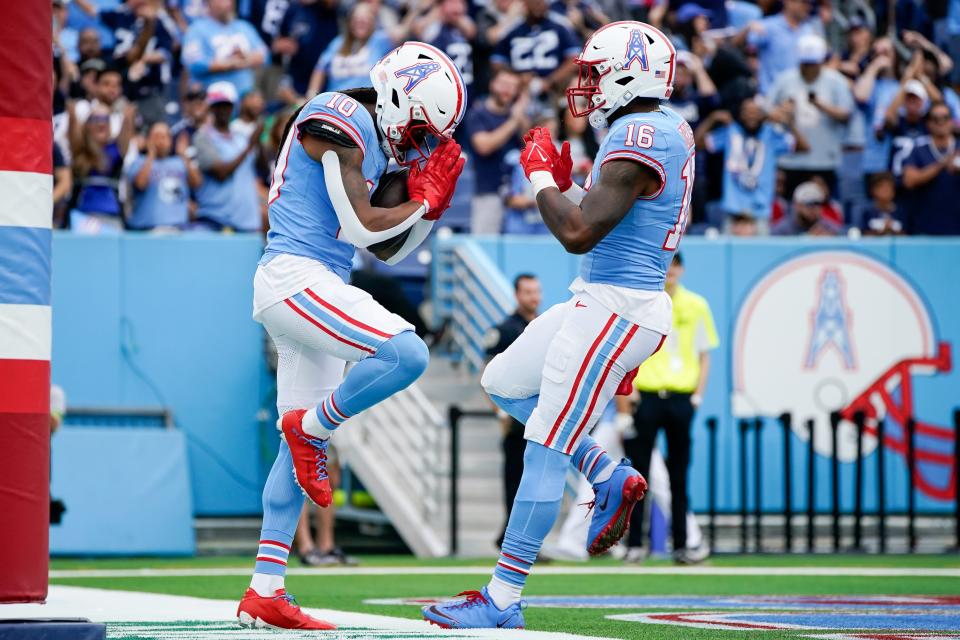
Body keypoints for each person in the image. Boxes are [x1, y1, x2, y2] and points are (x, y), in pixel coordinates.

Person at [426, 21, 692, 629]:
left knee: (544, 443)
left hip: (617, 306)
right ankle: (604, 469)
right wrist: (572, 183)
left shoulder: (641, 133)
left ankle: (501, 598)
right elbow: (618, 213)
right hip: (603, 299)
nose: (590, 85)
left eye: (598, 73)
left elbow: (578, 233)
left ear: (630, 72)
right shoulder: (659, 129)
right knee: (502, 380)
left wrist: (543, 179)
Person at [237, 42, 466, 630]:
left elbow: (388, 250)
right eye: (418, 128)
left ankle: (265, 589)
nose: (416, 144)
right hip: (295, 276)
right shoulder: (337, 114)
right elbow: (362, 226)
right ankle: (312, 429)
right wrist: (421, 201)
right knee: (407, 352)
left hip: (314, 285)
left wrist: (430, 209)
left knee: (295, 458)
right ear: (395, 97)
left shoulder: (369, 135)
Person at [619, 252, 717, 565]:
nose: (671, 271)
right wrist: (628, 398)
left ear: (681, 269)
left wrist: (697, 395)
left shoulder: (696, 305)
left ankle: (682, 544)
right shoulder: (644, 302)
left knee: (678, 475)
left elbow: (704, 354)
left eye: (676, 265)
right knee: (639, 474)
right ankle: (635, 545)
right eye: (668, 265)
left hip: (679, 397)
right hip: (646, 396)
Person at [484, 274, 543, 547]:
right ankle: (514, 540)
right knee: (517, 482)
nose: (533, 297)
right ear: (517, 295)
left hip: (540, 417)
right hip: (517, 418)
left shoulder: (545, 326)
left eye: (536, 291)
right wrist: (501, 413)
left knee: (534, 483)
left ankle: (519, 538)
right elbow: (487, 375)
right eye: (527, 292)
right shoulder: (506, 329)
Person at [696, 97, 808, 230]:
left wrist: (789, 124)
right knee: (728, 251)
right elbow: (697, 144)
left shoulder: (770, 133)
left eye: (756, 112)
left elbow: (803, 147)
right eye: (747, 112)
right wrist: (712, 119)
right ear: (740, 114)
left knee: (761, 251)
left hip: (760, 212)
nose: (752, 116)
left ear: (763, 114)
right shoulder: (731, 131)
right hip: (733, 211)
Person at [768, 34, 854, 198]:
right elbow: (766, 112)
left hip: (824, 161)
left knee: (822, 210)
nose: (808, 68)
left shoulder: (836, 82)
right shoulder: (784, 80)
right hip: (790, 161)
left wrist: (821, 105)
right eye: (805, 63)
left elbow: (846, 115)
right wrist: (782, 111)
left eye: (812, 64)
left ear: (821, 61)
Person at [193, 82, 263, 232]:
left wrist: (259, 141)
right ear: (211, 108)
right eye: (218, 106)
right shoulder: (203, 137)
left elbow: (261, 168)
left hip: (248, 222)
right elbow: (221, 173)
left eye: (227, 105)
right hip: (217, 220)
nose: (223, 110)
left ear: (233, 108)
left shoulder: (241, 137)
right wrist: (250, 146)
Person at [466, 68, 529, 233]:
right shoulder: (478, 114)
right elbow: (484, 146)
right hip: (489, 194)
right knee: (485, 247)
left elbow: (530, 145)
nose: (507, 90)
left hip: (518, 196)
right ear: (492, 84)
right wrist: (513, 121)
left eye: (513, 86)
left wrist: (521, 116)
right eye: (503, 84)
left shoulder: (518, 116)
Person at [490, 0, 581, 94]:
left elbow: (574, 59)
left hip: (555, 88)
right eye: (534, 2)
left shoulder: (560, 24)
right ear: (524, 3)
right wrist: (517, 77)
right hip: (518, 90)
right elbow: (497, 61)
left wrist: (550, 81)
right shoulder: (513, 26)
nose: (538, 4)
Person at [182, 0, 267, 96]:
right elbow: (195, 64)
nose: (228, 3)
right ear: (209, 3)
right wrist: (230, 63)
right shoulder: (196, 29)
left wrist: (245, 57)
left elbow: (264, 56)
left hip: (245, 100)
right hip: (212, 100)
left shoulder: (244, 26)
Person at [127, 121, 202, 230]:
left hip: (178, 228)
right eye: (156, 137)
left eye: (164, 137)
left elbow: (197, 183)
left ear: (171, 141)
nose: (160, 141)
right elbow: (140, 184)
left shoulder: (180, 162)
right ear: (148, 139)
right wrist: (151, 155)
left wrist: (184, 156)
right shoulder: (139, 162)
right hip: (147, 229)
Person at [306, 3, 393, 95]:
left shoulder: (380, 40)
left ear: (373, 22)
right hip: (336, 101)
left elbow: (401, 33)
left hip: (367, 102)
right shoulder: (337, 43)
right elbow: (320, 68)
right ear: (350, 22)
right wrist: (311, 94)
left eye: (366, 19)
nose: (361, 22)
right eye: (357, 19)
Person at [901, 102, 960, 235]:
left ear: (952, 121)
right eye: (935, 119)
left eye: (945, 118)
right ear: (928, 123)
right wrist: (941, 165)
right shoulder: (919, 149)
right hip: (927, 227)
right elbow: (909, 180)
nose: (940, 122)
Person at [742, 0, 824, 93]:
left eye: (809, 3)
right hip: (771, 95)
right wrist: (746, 29)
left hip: (801, 95)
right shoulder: (768, 26)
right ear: (788, 2)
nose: (808, 7)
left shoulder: (809, 30)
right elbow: (741, 46)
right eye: (803, 2)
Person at [770, 180, 844, 235]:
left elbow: (844, 235)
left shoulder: (826, 226)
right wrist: (807, 238)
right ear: (797, 205)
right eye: (809, 204)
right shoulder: (783, 229)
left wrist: (832, 239)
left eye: (817, 203)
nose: (814, 208)